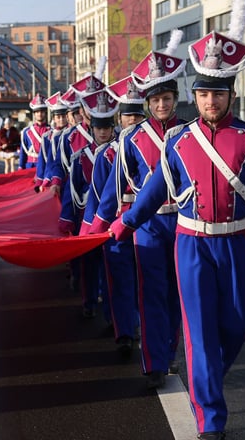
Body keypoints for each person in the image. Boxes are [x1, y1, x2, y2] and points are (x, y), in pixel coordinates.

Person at [110, 0, 245, 439]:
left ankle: (206, 381)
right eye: (203, 93)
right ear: (196, 95)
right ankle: (211, 420)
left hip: (236, 243)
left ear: (229, 94)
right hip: (190, 244)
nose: (209, 101)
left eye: (218, 93)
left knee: (237, 326)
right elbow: (154, 191)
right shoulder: (179, 140)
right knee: (200, 333)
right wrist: (126, 221)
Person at [90, 43, 190, 390]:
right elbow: (114, 192)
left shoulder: (190, 134)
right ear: (146, 102)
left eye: (167, 98)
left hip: (184, 223)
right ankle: (154, 362)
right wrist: (96, 229)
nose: (161, 105)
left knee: (178, 292)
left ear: (176, 99)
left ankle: (170, 349)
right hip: (147, 225)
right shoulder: (131, 138)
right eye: (155, 100)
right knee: (151, 292)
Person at [79, 80, 145, 358]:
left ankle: (144, 326)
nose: (132, 120)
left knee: (149, 281)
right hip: (117, 222)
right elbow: (99, 196)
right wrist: (92, 230)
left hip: (148, 224)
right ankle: (125, 333)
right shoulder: (107, 154)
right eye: (127, 115)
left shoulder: (157, 146)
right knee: (119, 281)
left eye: (137, 115)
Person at [58, 89, 118, 321]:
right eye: (99, 128)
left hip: (112, 218)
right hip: (86, 217)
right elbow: (70, 191)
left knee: (110, 265)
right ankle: (89, 300)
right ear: (92, 130)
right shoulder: (80, 157)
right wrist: (66, 218)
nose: (103, 132)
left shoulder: (118, 153)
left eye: (107, 128)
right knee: (88, 264)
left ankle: (109, 310)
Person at [18, 94, 50, 175]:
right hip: (30, 166)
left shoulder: (51, 131)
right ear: (34, 114)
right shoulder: (27, 132)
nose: (40, 114)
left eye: (42, 111)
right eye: (37, 112)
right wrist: (21, 167)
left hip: (46, 167)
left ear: (45, 113)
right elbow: (23, 153)